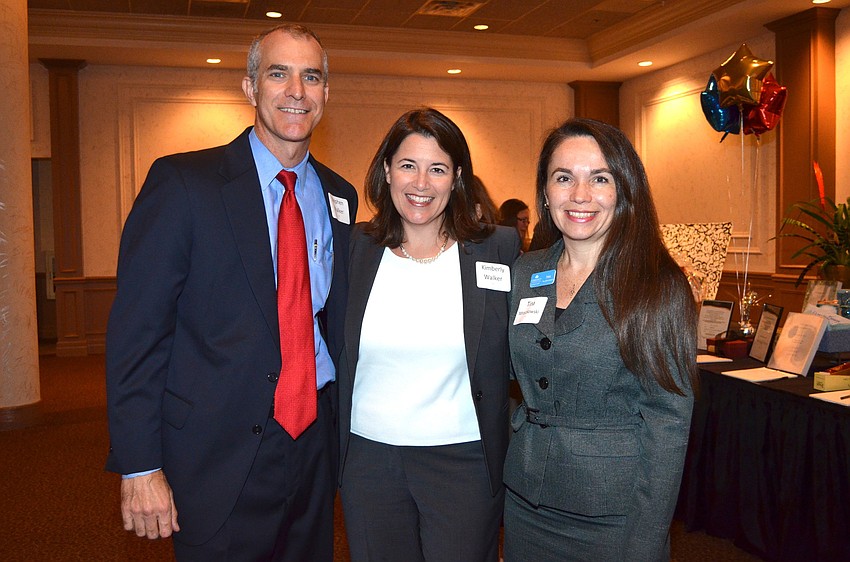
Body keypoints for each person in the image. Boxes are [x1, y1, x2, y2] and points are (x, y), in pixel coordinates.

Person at [105, 23, 357, 561]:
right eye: (278, 74)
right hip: (216, 450)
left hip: (314, 439)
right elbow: (137, 335)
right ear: (250, 86)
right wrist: (140, 463)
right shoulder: (183, 185)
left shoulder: (340, 195)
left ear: (325, 94)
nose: (296, 91)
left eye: (311, 77)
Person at [503, 118, 698, 561]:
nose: (580, 195)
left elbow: (668, 423)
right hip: (525, 503)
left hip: (613, 516)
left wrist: (647, 541)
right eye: (564, 177)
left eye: (600, 178)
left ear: (624, 190)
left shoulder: (656, 285)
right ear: (546, 191)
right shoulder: (525, 273)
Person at [338, 107, 520, 561]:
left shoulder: (496, 248)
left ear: (456, 177)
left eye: (437, 169)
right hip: (368, 461)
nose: (421, 184)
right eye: (407, 165)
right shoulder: (354, 248)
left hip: (463, 462)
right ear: (386, 171)